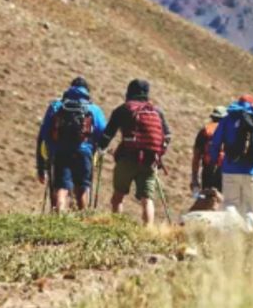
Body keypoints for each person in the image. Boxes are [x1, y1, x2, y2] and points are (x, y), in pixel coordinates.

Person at [97, 79, 172, 226]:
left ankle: (117, 228)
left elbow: (108, 134)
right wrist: (158, 154)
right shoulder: (156, 111)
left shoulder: (123, 109)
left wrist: (101, 149)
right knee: (147, 199)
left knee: (118, 197)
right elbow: (167, 136)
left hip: (127, 158)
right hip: (150, 160)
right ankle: (148, 230)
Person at [36, 77, 107, 213]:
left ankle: (58, 217)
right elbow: (102, 133)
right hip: (84, 152)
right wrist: (95, 149)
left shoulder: (56, 106)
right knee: (82, 189)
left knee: (61, 188)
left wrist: (51, 151)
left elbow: (44, 133)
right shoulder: (93, 109)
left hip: (61, 152)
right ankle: (82, 220)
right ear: (86, 91)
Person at [209, 94, 253, 231]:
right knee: (250, 209)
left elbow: (215, 142)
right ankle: (247, 236)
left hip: (230, 170)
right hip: (252, 172)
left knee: (230, 204)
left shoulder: (227, 120)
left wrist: (214, 160)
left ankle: (232, 237)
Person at [192, 106, 226, 194]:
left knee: (207, 201)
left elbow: (196, 157)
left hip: (207, 171)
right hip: (224, 172)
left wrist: (194, 178)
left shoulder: (204, 131)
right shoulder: (229, 132)